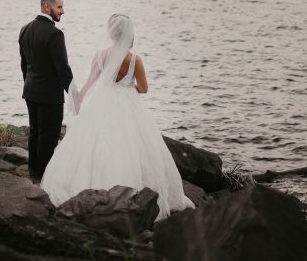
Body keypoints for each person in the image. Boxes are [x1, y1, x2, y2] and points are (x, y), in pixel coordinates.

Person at [41, 13, 195, 220]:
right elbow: (144, 89)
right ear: (128, 34)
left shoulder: (100, 56)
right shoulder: (135, 60)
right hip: (128, 103)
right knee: (133, 146)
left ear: (112, 34)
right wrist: (128, 85)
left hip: (101, 102)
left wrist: (78, 102)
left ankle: (88, 191)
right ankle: (134, 196)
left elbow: (89, 84)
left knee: (94, 145)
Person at [19, 0, 74, 181]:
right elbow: (63, 69)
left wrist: (30, 84)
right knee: (49, 137)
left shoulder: (24, 29)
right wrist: (75, 95)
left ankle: (33, 173)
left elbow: (24, 65)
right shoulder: (55, 34)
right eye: (59, 7)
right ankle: (44, 178)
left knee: (35, 133)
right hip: (50, 95)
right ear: (47, 6)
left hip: (31, 91)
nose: (62, 11)